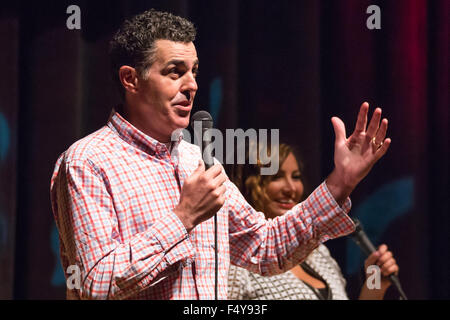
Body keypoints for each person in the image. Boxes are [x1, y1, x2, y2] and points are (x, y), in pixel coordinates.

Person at [50, 9, 391, 299]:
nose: (192, 84)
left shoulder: (194, 159)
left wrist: (338, 185)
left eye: (194, 71)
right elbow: (93, 283)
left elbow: (266, 247)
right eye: (175, 71)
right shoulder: (88, 162)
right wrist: (182, 218)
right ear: (130, 79)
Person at [227, 143, 399, 300]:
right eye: (276, 177)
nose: (291, 188)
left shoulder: (318, 253)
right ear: (249, 184)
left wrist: (375, 280)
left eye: (295, 177)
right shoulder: (240, 260)